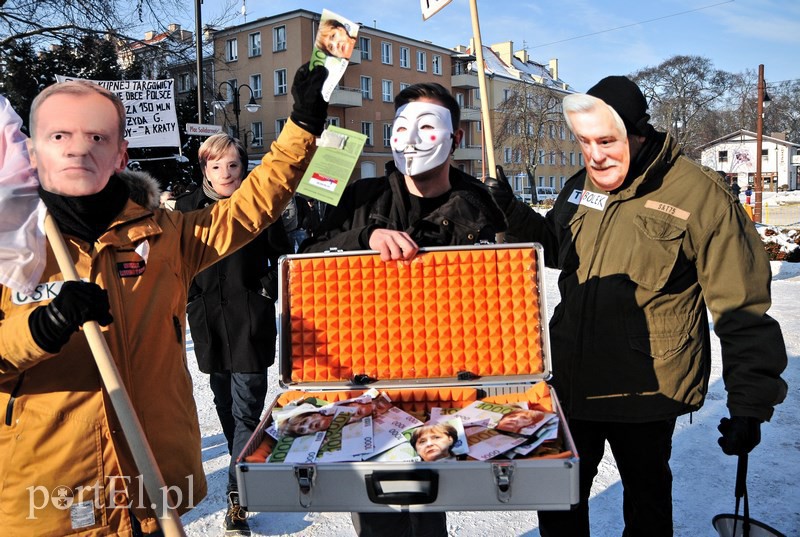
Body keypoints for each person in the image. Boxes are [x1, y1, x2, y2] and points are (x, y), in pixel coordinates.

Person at [0, 63, 327, 536]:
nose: (77, 148)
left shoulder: (165, 234)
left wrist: (302, 127)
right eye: (59, 136)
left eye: (97, 137)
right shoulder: (11, 246)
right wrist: (40, 328)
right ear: (31, 152)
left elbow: (251, 206)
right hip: (50, 496)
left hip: (151, 492)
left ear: (120, 154)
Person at [485, 75, 787, 537]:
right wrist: (510, 211)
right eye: (585, 142)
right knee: (558, 499)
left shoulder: (699, 194)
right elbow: (557, 247)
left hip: (648, 390)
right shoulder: (580, 185)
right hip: (572, 380)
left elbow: (741, 306)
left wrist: (750, 402)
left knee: (646, 510)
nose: (595, 155)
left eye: (607, 141)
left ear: (638, 133)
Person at [300, 81, 505, 537]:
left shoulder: (480, 205)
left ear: (456, 138)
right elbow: (308, 259)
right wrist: (363, 238)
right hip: (371, 387)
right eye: (401, 127)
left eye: (427, 127)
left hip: (446, 386)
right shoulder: (362, 198)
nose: (410, 139)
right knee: (377, 514)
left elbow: (503, 295)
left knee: (431, 509)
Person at [173, 132, 292, 535]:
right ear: (204, 168)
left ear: (244, 168)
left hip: (250, 324)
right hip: (208, 323)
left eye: (233, 165)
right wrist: (190, 298)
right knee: (225, 406)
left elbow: (280, 255)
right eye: (216, 165)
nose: (225, 173)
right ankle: (242, 459)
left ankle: (236, 498)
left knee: (245, 411)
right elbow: (175, 262)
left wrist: (264, 290)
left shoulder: (262, 206)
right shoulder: (186, 209)